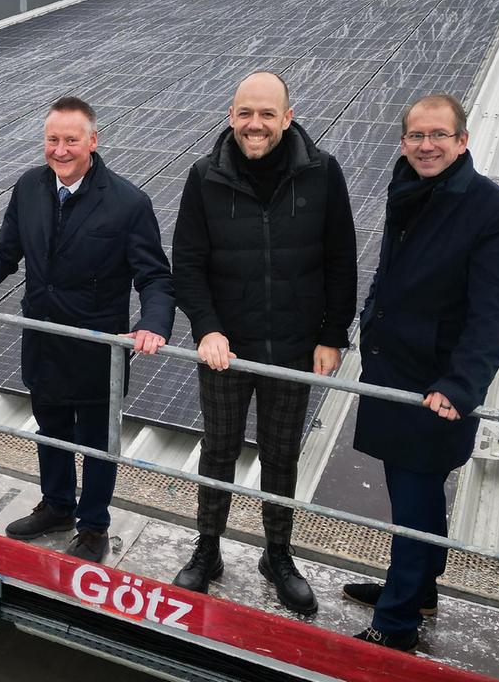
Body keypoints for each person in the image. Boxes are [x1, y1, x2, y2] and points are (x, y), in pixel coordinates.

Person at [0, 95, 175, 563]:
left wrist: (153, 325)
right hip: (42, 338)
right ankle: (57, 506)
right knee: (50, 429)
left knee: (99, 443)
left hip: (97, 348)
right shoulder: (29, 188)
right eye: (52, 140)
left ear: (93, 142)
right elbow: (2, 254)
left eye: (71, 140)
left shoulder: (127, 202)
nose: (60, 149)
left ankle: (94, 526)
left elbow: (155, 276)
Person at [169, 70, 357, 615]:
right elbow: (188, 264)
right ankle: (208, 550)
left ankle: (278, 555)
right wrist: (207, 327)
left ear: (287, 118)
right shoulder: (205, 176)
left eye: (267, 114)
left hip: (293, 349)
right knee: (219, 450)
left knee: (281, 455)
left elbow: (341, 259)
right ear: (231, 117)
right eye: (245, 113)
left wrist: (331, 334)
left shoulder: (322, 174)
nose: (256, 124)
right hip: (225, 351)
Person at [346, 94, 499, 651]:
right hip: (395, 369)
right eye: (417, 136)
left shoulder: (493, 213)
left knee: (417, 495)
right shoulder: (411, 190)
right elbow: (395, 271)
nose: (427, 146)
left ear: (462, 141)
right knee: (412, 494)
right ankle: (420, 588)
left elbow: (495, 315)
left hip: (435, 386)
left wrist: (460, 386)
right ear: (403, 143)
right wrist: (371, 314)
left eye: (439, 136)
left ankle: (396, 622)